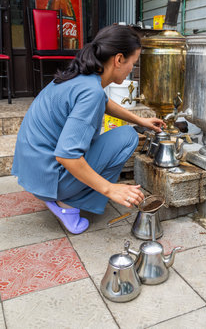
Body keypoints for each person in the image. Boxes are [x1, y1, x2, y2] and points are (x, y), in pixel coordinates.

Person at [12, 24, 165, 234]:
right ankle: (68, 204)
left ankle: (63, 194)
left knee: (122, 131)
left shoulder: (82, 77)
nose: (132, 69)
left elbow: (104, 101)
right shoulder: (90, 91)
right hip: (50, 178)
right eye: (133, 63)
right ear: (119, 59)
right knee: (127, 137)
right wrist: (111, 189)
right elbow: (68, 156)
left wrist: (139, 119)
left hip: (34, 171)